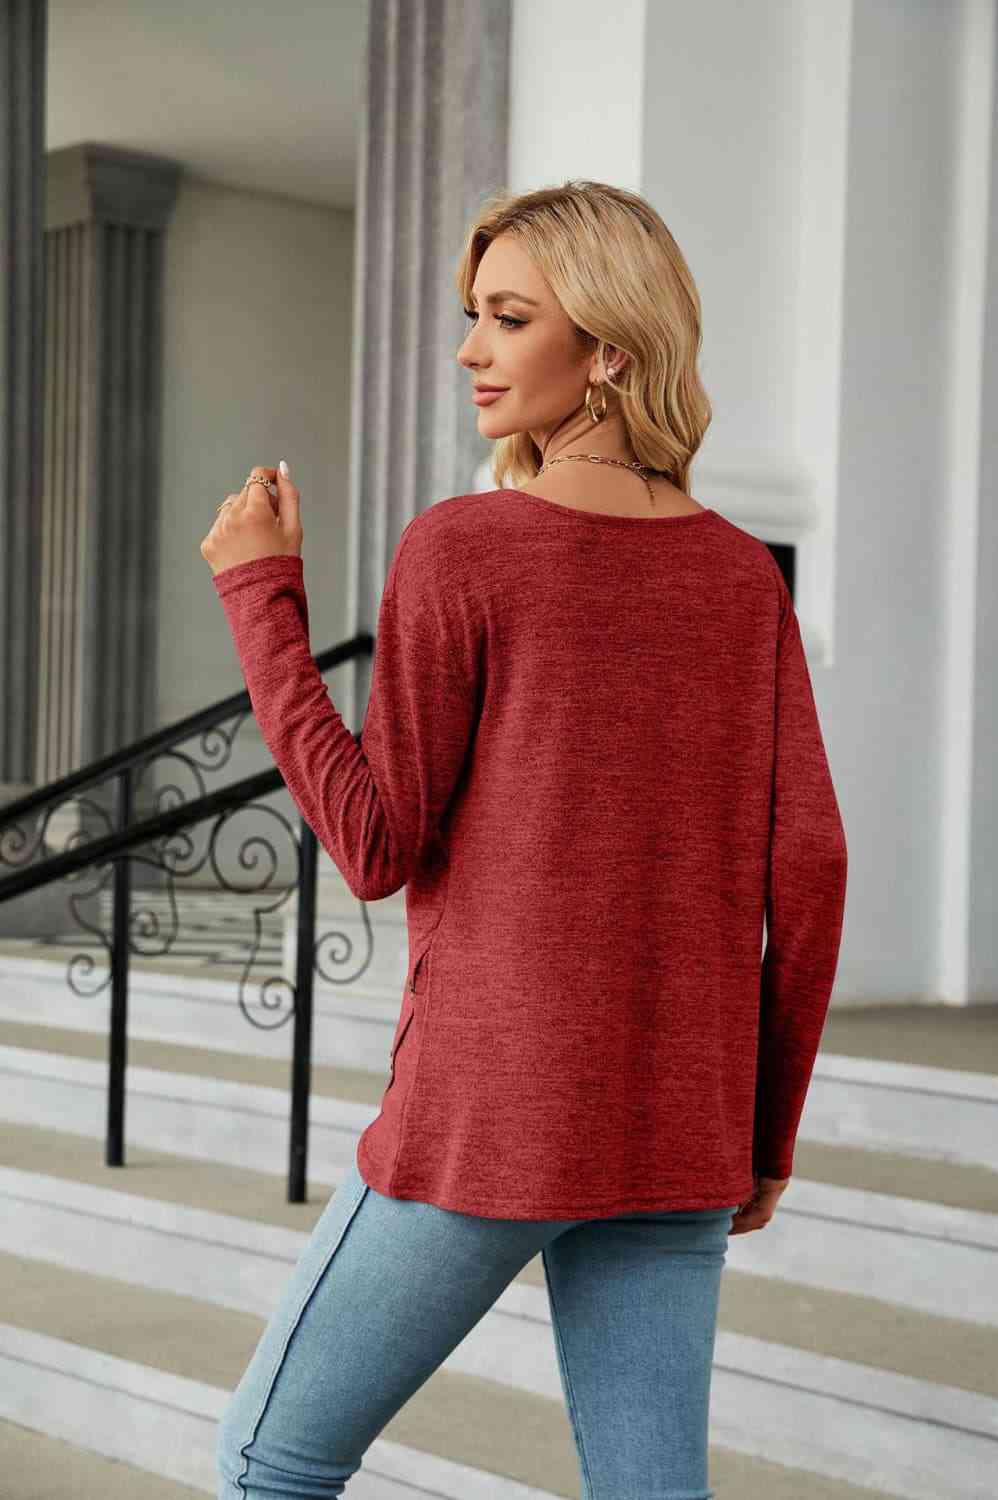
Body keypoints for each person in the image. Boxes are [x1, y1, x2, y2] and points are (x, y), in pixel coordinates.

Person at [205, 180, 848, 1500]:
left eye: (507, 318)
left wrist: (261, 597)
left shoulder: (466, 550)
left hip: (494, 1115)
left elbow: (375, 844)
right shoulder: (743, 576)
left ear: (607, 346)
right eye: (472, 315)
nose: (468, 351)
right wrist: (762, 1132)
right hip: (679, 1121)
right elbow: (812, 869)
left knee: (270, 1459)